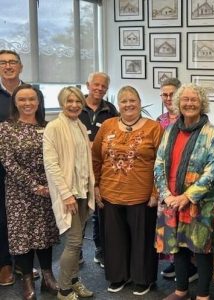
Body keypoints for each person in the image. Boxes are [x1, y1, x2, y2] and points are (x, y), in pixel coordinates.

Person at [92, 85, 162, 296]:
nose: (128, 104)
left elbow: (163, 162)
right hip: (110, 193)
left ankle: (143, 279)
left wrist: (156, 192)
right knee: (114, 239)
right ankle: (118, 276)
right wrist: (95, 185)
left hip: (141, 195)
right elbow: (95, 157)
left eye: (133, 100)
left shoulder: (154, 128)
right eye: (124, 101)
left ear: (140, 103)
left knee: (142, 240)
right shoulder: (107, 125)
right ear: (118, 104)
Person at [155, 83, 214, 300]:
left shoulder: (211, 133)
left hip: (200, 201)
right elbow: (159, 163)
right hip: (172, 199)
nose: (189, 103)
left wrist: (187, 196)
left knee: (202, 248)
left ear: (202, 103)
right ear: (178, 103)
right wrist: (166, 195)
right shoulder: (169, 130)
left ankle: (203, 295)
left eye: (194, 99)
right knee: (178, 246)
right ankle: (181, 290)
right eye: (185, 99)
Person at [0, 84, 59, 299]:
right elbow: (8, 162)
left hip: (47, 190)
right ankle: (26, 280)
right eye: (22, 99)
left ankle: (48, 277)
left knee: (45, 234)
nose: (27, 103)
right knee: (22, 236)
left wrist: (50, 186)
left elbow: (56, 158)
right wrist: (34, 186)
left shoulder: (49, 127)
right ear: (15, 102)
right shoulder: (5, 128)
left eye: (31, 99)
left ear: (38, 102)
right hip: (19, 192)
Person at [43, 86, 95, 300]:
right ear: (62, 102)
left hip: (82, 190)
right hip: (69, 194)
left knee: (78, 241)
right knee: (73, 242)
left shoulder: (80, 125)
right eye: (69, 101)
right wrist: (65, 194)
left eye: (77, 101)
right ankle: (63, 289)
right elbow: (51, 164)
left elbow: (84, 161)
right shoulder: (54, 127)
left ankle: (74, 281)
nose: (74, 105)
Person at [0, 49, 42, 285]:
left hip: (28, 169)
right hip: (3, 164)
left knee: (27, 219)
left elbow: (40, 122)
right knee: (3, 218)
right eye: (3, 63)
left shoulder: (30, 92)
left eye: (12, 62)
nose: (8, 66)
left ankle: (22, 266)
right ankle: (5, 264)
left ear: (20, 66)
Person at [79, 71, 118, 268]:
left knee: (98, 211)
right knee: (78, 210)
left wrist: (93, 144)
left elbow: (116, 136)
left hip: (102, 168)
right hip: (77, 168)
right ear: (88, 84)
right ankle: (75, 250)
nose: (99, 88)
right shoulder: (77, 105)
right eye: (96, 84)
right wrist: (92, 143)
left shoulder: (111, 109)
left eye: (103, 86)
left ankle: (99, 249)